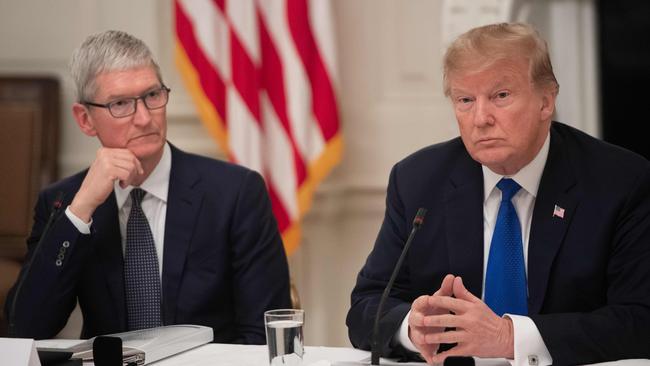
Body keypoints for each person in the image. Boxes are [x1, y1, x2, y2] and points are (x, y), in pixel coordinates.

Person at [346, 22, 650, 365]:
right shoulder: (418, 180)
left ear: (546, 101)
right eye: (465, 100)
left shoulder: (619, 181)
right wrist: (413, 328)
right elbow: (367, 306)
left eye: (500, 96)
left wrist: (509, 338)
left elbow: (639, 319)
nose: (480, 118)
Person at [5, 30, 291, 344]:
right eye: (121, 103)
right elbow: (26, 328)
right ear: (85, 119)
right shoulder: (63, 202)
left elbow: (265, 335)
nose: (144, 118)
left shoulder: (235, 193)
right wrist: (80, 210)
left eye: (152, 96)